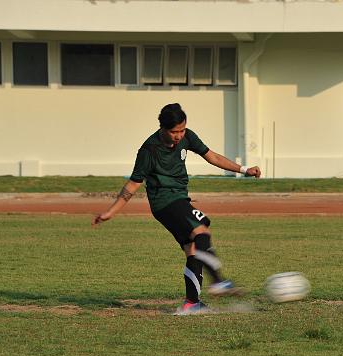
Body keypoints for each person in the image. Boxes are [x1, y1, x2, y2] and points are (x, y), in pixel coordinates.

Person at [92, 103, 261, 315]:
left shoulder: (187, 136)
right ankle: (218, 281)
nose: (179, 136)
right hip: (165, 202)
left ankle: (192, 304)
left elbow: (212, 156)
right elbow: (133, 184)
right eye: (174, 132)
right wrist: (111, 212)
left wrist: (244, 169)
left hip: (179, 199)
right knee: (201, 230)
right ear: (162, 128)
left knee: (192, 248)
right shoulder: (149, 150)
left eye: (182, 130)